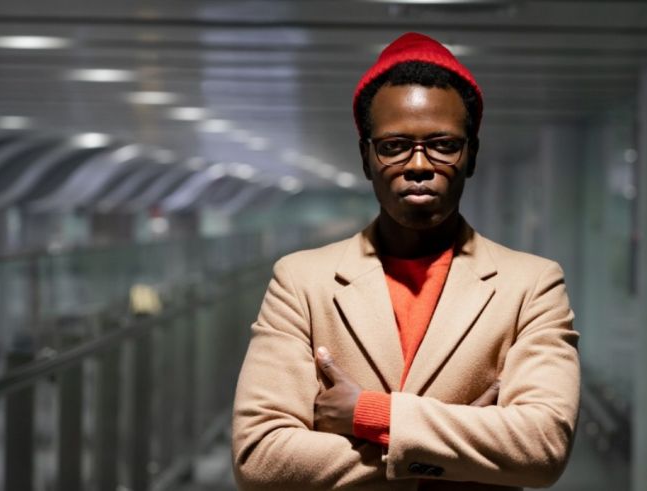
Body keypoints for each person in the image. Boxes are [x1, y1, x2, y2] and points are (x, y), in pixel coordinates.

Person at [232, 32, 580, 491]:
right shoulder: (301, 281)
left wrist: (369, 415)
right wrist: (455, 453)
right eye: (394, 146)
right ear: (365, 158)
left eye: (443, 144)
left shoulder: (531, 285)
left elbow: (542, 448)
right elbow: (259, 457)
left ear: (471, 155)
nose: (419, 163)